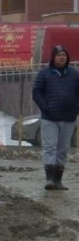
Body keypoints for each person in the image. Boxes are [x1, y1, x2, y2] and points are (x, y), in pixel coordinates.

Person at [32, 44, 79, 190]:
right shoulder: (44, 74)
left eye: (64, 55)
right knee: (50, 147)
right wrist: (45, 108)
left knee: (63, 149)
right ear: (53, 57)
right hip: (50, 118)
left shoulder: (74, 74)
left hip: (69, 118)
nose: (62, 57)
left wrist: (76, 108)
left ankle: (58, 180)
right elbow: (36, 92)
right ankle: (50, 179)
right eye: (59, 55)